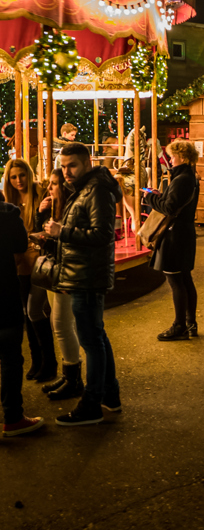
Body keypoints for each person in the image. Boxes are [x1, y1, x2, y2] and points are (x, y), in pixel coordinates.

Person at [44, 142, 122, 426]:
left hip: (88, 276)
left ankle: (92, 403)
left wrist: (61, 232)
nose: (66, 172)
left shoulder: (96, 190)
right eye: (63, 166)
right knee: (96, 337)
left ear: (87, 163)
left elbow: (102, 234)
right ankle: (109, 395)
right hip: (82, 273)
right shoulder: (85, 189)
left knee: (91, 340)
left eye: (72, 165)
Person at [3, 159, 57, 383]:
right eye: (13, 177)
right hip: (20, 264)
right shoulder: (8, 199)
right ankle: (38, 361)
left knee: (35, 311)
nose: (18, 181)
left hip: (40, 261)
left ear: (29, 174)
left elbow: (49, 224)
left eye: (21, 175)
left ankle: (49, 362)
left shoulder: (41, 193)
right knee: (27, 314)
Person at [143, 140, 201, 340]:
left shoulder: (182, 179)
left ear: (183, 157)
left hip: (175, 235)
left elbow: (169, 208)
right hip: (183, 233)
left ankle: (179, 326)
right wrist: (161, 195)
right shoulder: (188, 177)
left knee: (176, 281)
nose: (170, 159)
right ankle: (190, 323)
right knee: (185, 280)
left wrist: (149, 198)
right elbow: (172, 202)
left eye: (173, 155)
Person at [37, 169, 84, 400]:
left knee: (62, 325)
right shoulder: (54, 208)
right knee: (61, 324)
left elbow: (72, 242)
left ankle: (74, 378)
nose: (50, 188)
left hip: (66, 272)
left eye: (54, 184)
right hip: (55, 270)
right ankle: (69, 374)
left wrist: (53, 236)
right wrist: (41, 215)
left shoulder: (72, 210)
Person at [1, 192, 45, 437]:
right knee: (10, 358)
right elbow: (20, 255)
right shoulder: (9, 215)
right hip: (5, 295)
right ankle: (13, 417)